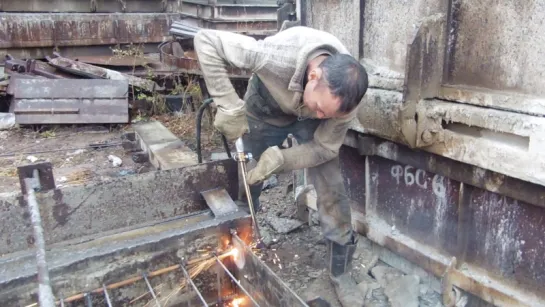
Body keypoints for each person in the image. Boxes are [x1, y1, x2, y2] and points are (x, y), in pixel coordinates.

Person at [194, 25, 369, 306]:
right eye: (321, 107)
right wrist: (228, 104)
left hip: (312, 126)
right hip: (265, 110)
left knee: (332, 187)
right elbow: (206, 41)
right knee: (248, 177)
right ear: (313, 76)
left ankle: (341, 272)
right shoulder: (275, 55)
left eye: (329, 113)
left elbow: (323, 148)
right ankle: (239, 243)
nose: (323, 114)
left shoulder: (345, 100)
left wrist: (283, 159)